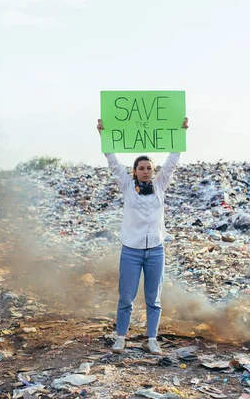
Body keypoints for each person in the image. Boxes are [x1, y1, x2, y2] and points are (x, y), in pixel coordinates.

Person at [97, 117, 189, 355]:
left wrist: (180, 134)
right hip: (131, 250)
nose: (146, 172)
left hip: (156, 250)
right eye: (141, 168)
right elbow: (113, 163)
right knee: (126, 297)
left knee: (153, 299)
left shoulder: (160, 186)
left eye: (149, 168)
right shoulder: (127, 186)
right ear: (134, 172)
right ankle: (120, 338)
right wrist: (103, 136)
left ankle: (152, 339)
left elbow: (172, 162)